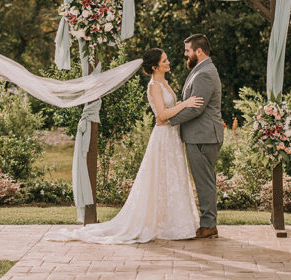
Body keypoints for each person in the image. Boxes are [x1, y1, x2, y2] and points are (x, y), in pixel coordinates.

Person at [44, 47, 203, 244]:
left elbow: (169, 112)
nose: (168, 62)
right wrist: (185, 104)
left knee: (172, 178)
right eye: (164, 60)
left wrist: (180, 107)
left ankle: (173, 223)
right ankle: (163, 225)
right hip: (163, 138)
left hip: (172, 136)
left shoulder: (164, 83)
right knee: (161, 177)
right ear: (155, 67)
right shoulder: (154, 86)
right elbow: (161, 115)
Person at [161, 34, 224, 239]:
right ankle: (208, 222)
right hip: (200, 135)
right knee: (205, 180)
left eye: (188, 50)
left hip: (203, 136)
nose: (185, 54)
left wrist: (168, 121)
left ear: (199, 51)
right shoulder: (201, 70)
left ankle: (208, 225)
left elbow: (196, 108)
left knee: (204, 182)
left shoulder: (205, 73)